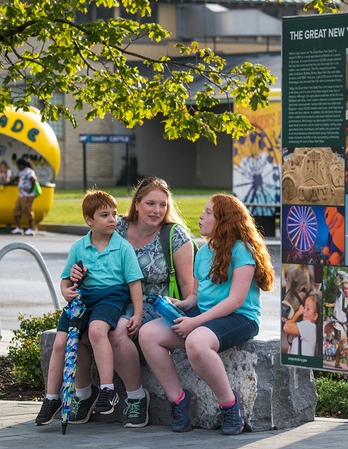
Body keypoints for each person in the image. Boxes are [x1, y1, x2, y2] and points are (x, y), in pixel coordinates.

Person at [137, 193, 275, 435]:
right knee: (148, 333)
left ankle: (229, 404)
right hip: (206, 314)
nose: (201, 216)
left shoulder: (243, 250)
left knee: (196, 342)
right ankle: (179, 399)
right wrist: (180, 304)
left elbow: (235, 300)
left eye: (209, 212)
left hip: (240, 317)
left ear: (224, 220)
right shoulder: (202, 252)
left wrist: (195, 322)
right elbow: (197, 298)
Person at [68, 176, 195, 428]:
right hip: (110, 298)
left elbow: (189, 289)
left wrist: (185, 311)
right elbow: (88, 254)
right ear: (137, 204)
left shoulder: (175, 236)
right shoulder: (117, 227)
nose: (156, 210)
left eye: (162, 204)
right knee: (79, 332)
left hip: (153, 304)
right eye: (150, 203)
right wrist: (75, 272)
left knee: (117, 333)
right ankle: (84, 394)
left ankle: (136, 397)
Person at [35, 190, 144, 427]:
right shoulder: (79, 247)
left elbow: (134, 283)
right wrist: (67, 291)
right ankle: (52, 398)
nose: (112, 219)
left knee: (96, 330)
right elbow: (65, 281)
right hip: (83, 300)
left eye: (114, 214)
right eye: (105, 215)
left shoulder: (123, 248)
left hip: (111, 297)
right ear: (89, 220)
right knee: (61, 342)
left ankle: (107, 390)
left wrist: (137, 313)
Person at [283, 291, 320, 357]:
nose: (304, 311)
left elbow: (286, 327)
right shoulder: (302, 327)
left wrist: (298, 312)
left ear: (315, 316)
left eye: (308, 309)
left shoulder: (309, 326)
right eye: (304, 307)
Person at [11, 157, 37, 235]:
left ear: (21, 165)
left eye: (18, 165)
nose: (18, 167)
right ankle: (19, 228)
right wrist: (9, 182)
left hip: (28, 195)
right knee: (16, 210)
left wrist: (30, 189)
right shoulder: (21, 172)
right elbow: (17, 178)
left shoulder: (28, 171)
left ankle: (31, 229)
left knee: (27, 210)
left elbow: (33, 180)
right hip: (21, 194)